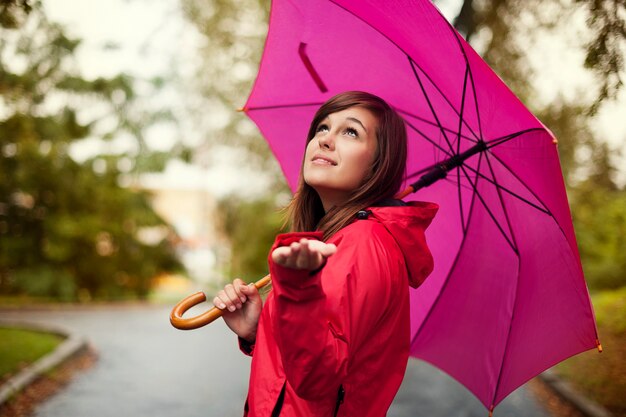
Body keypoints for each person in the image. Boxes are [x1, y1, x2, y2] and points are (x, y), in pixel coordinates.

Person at [213, 91, 438, 416]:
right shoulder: (344, 239)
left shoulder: (363, 244)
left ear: (379, 162)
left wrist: (296, 288)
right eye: (322, 128)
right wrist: (259, 330)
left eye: (351, 131)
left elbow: (317, 378)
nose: (325, 140)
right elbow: (312, 363)